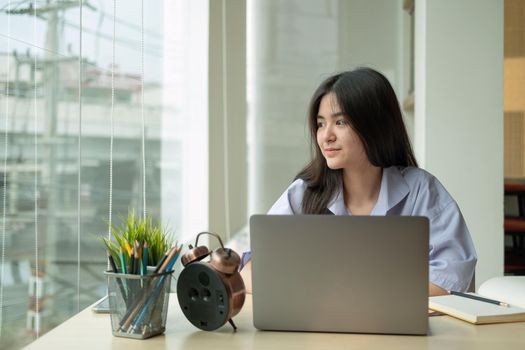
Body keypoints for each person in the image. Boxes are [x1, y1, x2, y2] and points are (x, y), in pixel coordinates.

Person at [240, 67, 477, 296]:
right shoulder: (304, 193)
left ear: (375, 126)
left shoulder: (422, 191)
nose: (326, 136)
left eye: (340, 122)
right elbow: (251, 270)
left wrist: (354, 294)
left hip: (400, 333)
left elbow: (453, 279)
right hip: (316, 330)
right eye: (321, 123)